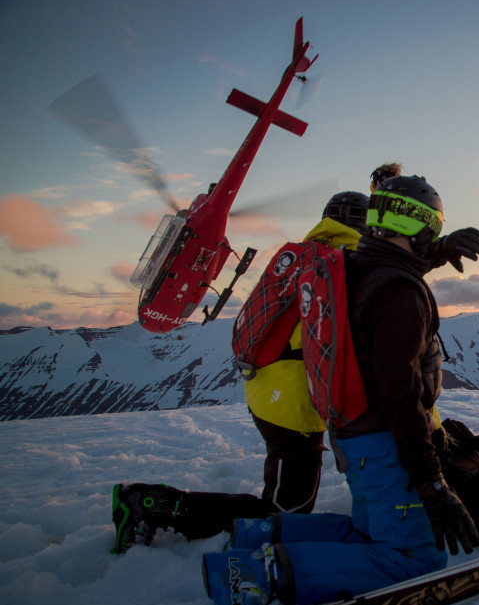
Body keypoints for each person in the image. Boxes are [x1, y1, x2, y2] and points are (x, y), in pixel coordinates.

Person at [201, 175, 479, 605]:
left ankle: (261, 533)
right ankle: (259, 577)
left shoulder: (349, 265)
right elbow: (401, 396)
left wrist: (430, 253)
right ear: (424, 228)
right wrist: (432, 485)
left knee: (366, 532)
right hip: (387, 445)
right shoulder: (401, 294)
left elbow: (385, 273)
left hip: (354, 439)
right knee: (415, 561)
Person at [110, 191, 371, 554]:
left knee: (289, 503)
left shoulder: (302, 253)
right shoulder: (345, 263)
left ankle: (157, 506)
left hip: (267, 388)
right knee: (284, 512)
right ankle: (150, 504)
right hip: (292, 402)